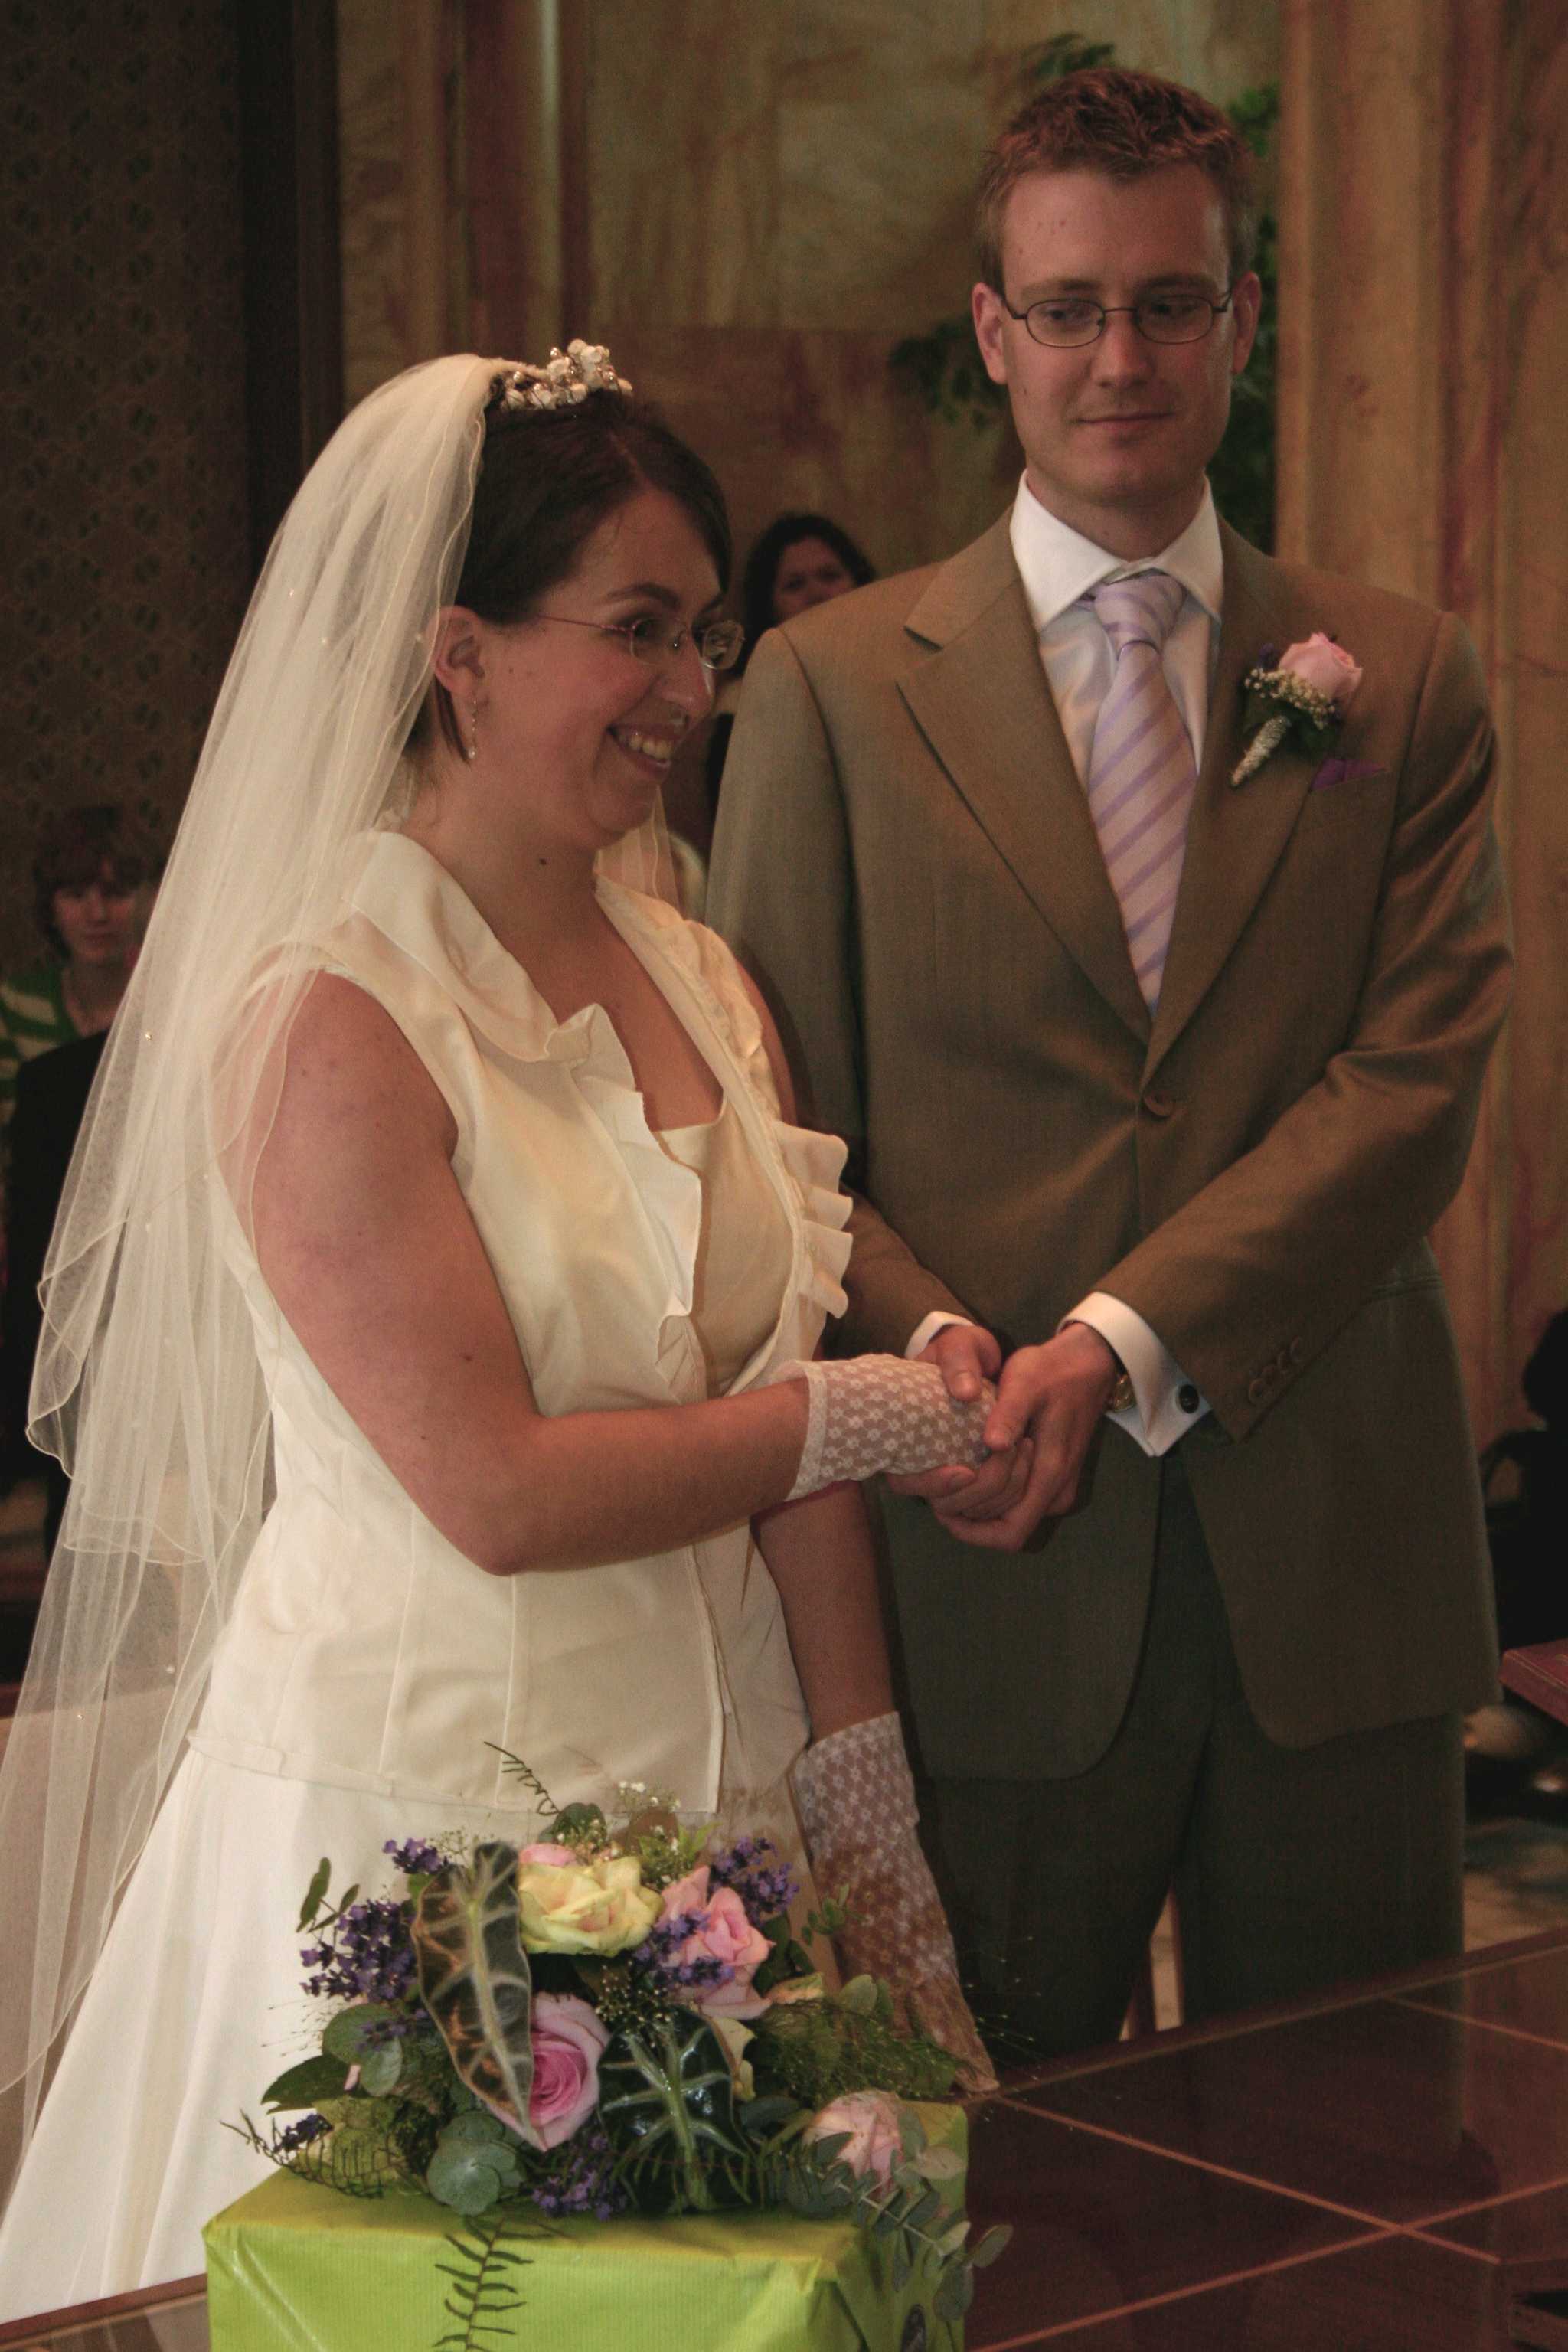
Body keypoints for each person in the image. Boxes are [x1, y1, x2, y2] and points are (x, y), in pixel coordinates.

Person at [0, 345, 998, 2314]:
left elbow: (783, 1410)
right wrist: (856, 1414)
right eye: (635, 629)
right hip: (416, 1841)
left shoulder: (700, 973)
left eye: (701, 632)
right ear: (456, 655)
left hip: (726, 1829)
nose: (687, 688)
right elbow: (494, 1488)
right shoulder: (325, 1015)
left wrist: (872, 1832)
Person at [709, 69, 1511, 2062]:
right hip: (983, 1561)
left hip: (1331, 1559)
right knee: (995, 2168)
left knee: (1356, 2162)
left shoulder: (1393, 678)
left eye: (1167, 304)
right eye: (1069, 309)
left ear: (1244, 320)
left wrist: (1124, 1341)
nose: (1120, 358)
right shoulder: (828, 691)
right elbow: (772, 1134)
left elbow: (1412, 1083)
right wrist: (950, 1352)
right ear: (995, 334)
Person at [697, 514, 878, 830]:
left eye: (830, 576)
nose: (817, 594)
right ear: (769, 607)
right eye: (795, 585)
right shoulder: (743, 706)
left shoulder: (891, 682)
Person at [0, 803, 157, 1142]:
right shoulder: (16, 1006)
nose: (97, 914)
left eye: (115, 894)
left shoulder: (168, 1006)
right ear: (52, 908)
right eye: (75, 895)